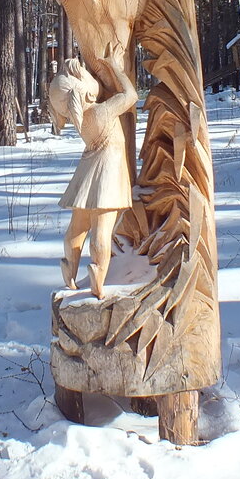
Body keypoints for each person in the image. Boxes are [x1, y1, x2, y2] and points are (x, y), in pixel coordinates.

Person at [57, 52, 137, 299]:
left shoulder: (79, 119)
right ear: (87, 92)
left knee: (78, 225)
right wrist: (115, 68)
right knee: (102, 227)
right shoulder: (101, 112)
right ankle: (98, 274)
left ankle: (69, 269)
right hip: (107, 171)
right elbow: (131, 96)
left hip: (87, 170)